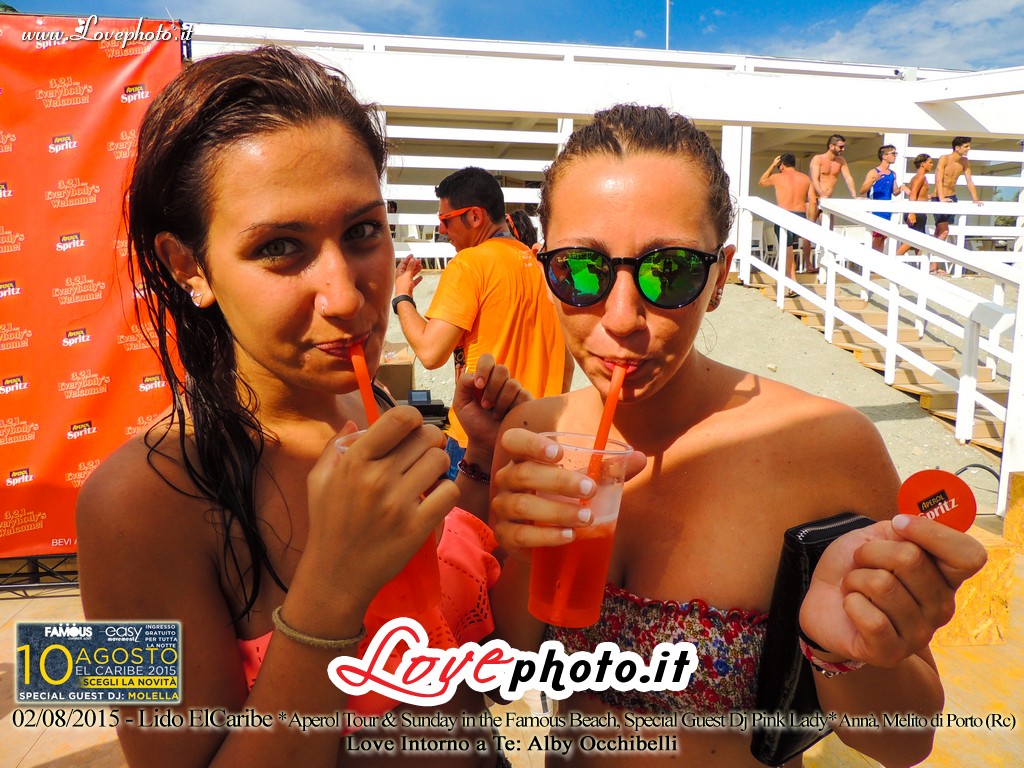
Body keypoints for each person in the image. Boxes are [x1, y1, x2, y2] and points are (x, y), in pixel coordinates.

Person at [488, 104, 987, 768]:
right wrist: (520, 548)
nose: (622, 318)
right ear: (545, 268)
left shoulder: (825, 444)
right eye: (580, 268)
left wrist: (843, 652)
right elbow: (509, 667)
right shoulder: (534, 433)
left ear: (719, 276)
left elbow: (903, 740)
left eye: (670, 271)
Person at [76, 46, 524, 768]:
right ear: (189, 266)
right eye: (280, 246)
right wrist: (329, 593)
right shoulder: (125, 507)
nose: (345, 297)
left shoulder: (367, 404)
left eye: (362, 231)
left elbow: (456, 653)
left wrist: (481, 465)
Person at [392, 166, 571, 460]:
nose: (441, 230)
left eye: (445, 220)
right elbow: (566, 366)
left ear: (475, 216)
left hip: (478, 442)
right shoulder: (540, 265)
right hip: (538, 439)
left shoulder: (469, 264)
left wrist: (402, 296)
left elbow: (430, 352)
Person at [758, 153, 816, 285]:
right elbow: (813, 202)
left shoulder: (777, 177)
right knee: (792, 246)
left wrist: (772, 165)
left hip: (784, 215)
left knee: (787, 248)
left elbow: (761, 182)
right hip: (801, 216)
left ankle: (792, 279)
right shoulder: (805, 179)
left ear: (782, 165)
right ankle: (795, 275)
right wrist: (811, 222)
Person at [859, 145, 912, 252]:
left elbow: (895, 192)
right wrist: (873, 180)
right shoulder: (873, 172)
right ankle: (872, 261)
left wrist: (902, 187)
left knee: (883, 237)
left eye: (895, 154)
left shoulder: (892, 174)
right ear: (884, 156)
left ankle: (878, 261)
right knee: (876, 237)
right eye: (893, 154)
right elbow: (862, 190)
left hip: (887, 211)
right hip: (875, 210)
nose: (895, 156)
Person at [932, 136, 983, 245]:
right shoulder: (944, 158)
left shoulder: (964, 161)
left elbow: (969, 181)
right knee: (944, 231)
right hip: (939, 197)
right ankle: (933, 251)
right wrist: (942, 198)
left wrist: (976, 199)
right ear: (957, 148)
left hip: (952, 197)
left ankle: (931, 254)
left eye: (969, 146)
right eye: (966, 146)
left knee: (940, 230)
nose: (969, 148)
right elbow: (938, 180)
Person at [809, 133, 858, 219]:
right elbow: (814, 179)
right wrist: (821, 194)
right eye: (840, 147)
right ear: (831, 146)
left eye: (844, 147)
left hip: (828, 199)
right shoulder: (818, 158)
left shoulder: (841, 160)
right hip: (815, 198)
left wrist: (854, 196)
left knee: (829, 226)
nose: (843, 149)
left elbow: (848, 177)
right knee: (810, 225)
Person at [896, 153, 934, 262]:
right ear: (923, 164)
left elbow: (915, 194)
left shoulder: (917, 177)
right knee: (913, 239)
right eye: (930, 162)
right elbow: (913, 194)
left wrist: (931, 196)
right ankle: (894, 259)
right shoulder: (920, 177)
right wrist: (912, 212)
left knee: (919, 241)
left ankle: (922, 266)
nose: (932, 165)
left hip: (918, 211)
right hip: (916, 212)